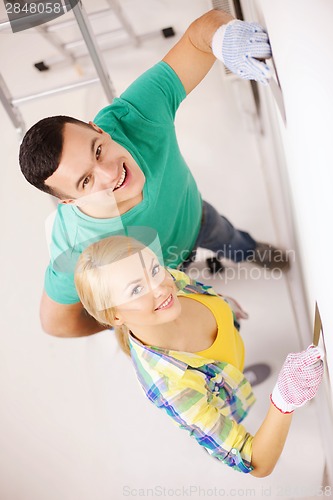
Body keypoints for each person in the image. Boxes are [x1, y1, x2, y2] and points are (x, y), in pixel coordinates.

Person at [19, 9, 289, 338]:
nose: (110, 173)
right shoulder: (76, 249)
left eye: (98, 150)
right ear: (68, 200)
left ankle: (250, 250)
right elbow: (56, 323)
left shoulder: (132, 117)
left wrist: (224, 38)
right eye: (87, 181)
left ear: (98, 128)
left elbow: (200, 34)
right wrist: (129, 314)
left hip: (197, 215)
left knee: (232, 238)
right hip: (165, 277)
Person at [74, 235, 324, 476]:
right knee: (229, 406)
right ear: (115, 317)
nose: (160, 288)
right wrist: (283, 400)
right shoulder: (175, 389)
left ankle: (232, 381)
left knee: (231, 375)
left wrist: (224, 307)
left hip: (229, 364)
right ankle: (229, 393)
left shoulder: (168, 282)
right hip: (218, 405)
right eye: (136, 289)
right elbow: (257, 463)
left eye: (153, 269)